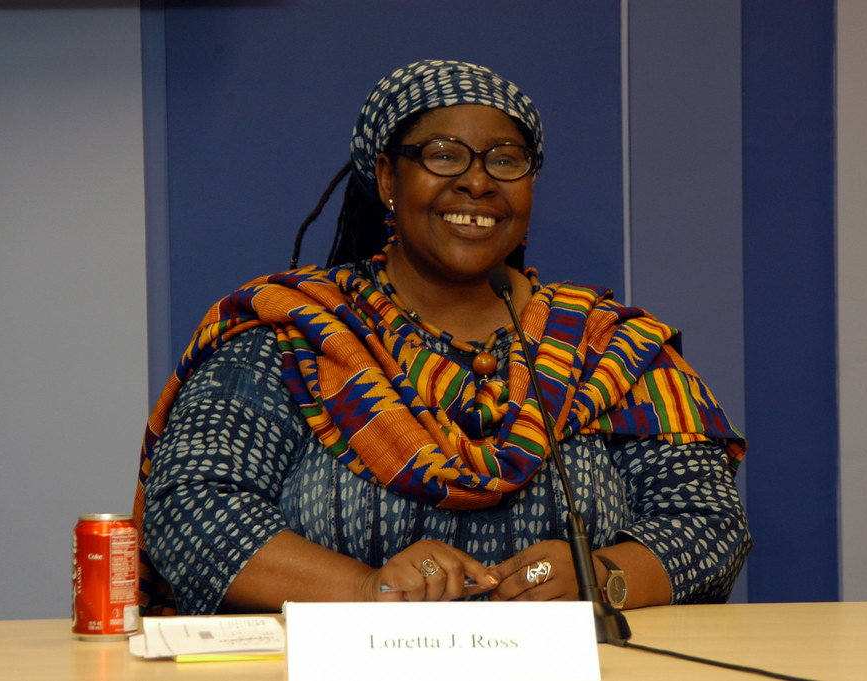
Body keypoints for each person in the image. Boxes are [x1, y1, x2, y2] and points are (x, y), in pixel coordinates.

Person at [134, 59, 751, 616]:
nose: (478, 183)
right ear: (386, 178)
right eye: (444, 155)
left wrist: (604, 575)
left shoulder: (606, 347)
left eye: (505, 160)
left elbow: (709, 524)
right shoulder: (296, 334)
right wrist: (367, 588)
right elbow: (189, 509)